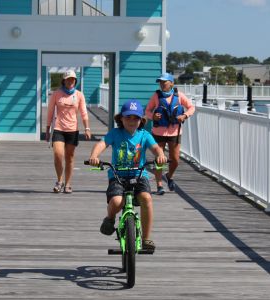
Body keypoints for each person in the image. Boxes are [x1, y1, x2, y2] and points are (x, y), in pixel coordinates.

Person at [88, 99, 167, 250]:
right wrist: (95, 156)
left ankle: (146, 238)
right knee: (117, 201)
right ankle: (110, 218)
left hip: (139, 175)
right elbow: (101, 144)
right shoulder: (115, 133)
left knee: (146, 198)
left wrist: (160, 155)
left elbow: (156, 148)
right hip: (118, 175)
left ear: (141, 120)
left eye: (135, 118)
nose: (131, 121)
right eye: (128, 117)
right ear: (121, 119)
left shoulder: (144, 135)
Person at [145, 73, 195, 195]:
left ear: (171, 83)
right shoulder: (156, 96)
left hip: (175, 133)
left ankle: (169, 175)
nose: (162, 85)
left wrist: (184, 115)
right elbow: (147, 111)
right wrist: (153, 117)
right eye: (160, 82)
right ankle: (159, 186)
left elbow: (191, 107)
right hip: (158, 132)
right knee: (159, 159)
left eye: (165, 82)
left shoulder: (179, 95)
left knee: (175, 160)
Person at [46, 70, 91, 194]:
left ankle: (68, 183)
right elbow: (50, 111)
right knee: (58, 154)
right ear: (64, 81)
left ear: (75, 81)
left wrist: (87, 128)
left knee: (69, 157)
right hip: (59, 128)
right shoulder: (56, 94)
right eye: (68, 79)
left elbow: (83, 113)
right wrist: (47, 128)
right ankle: (59, 181)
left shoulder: (79, 95)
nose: (70, 81)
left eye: (72, 79)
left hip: (73, 129)